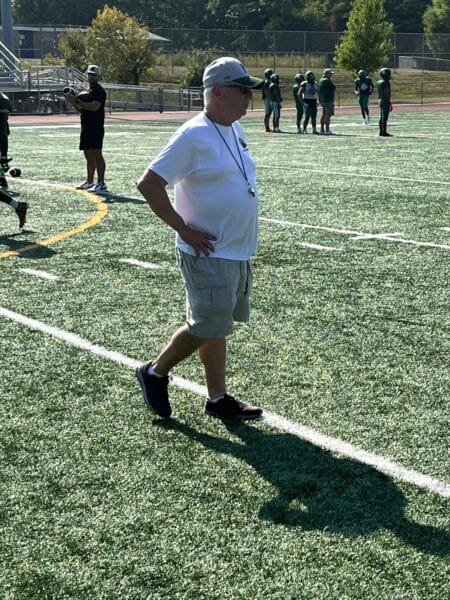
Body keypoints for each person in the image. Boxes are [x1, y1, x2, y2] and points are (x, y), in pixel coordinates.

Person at [135, 57, 264, 421]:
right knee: (208, 324)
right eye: (242, 90)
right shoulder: (192, 135)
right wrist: (184, 229)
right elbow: (149, 184)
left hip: (233, 249)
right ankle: (155, 372)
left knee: (216, 323)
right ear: (218, 92)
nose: (249, 97)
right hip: (207, 251)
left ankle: (217, 398)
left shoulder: (234, 129)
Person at [66, 65, 107, 193]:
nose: (91, 77)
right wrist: (74, 102)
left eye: (94, 75)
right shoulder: (88, 91)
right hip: (86, 126)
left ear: (98, 77)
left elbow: (95, 107)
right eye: (90, 75)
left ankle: (101, 183)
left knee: (97, 154)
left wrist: (77, 101)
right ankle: (89, 181)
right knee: (88, 155)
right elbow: (82, 110)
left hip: (95, 127)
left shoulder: (99, 91)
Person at [318, 68, 336, 135]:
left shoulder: (321, 80)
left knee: (324, 114)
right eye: (330, 74)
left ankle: (322, 129)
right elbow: (333, 88)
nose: (331, 75)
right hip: (328, 100)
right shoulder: (327, 81)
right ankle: (327, 129)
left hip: (322, 99)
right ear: (326, 74)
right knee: (328, 115)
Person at [376, 67, 393, 137]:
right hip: (385, 100)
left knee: (381, 117)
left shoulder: (379, 82)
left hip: (380, 100)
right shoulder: (386, 83)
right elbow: (387, 93)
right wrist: (389, 102)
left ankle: (381, 131)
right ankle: (384, 132)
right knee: (385, 117)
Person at [262, 68, 273, 133]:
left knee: (269, 113)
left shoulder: (268, 82)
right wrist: (270, 98)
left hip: (268, 98)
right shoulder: (267, 82)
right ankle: (267, 127)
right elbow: (266, 92)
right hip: (267, 99)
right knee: (267, 113)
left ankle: (268, 127)